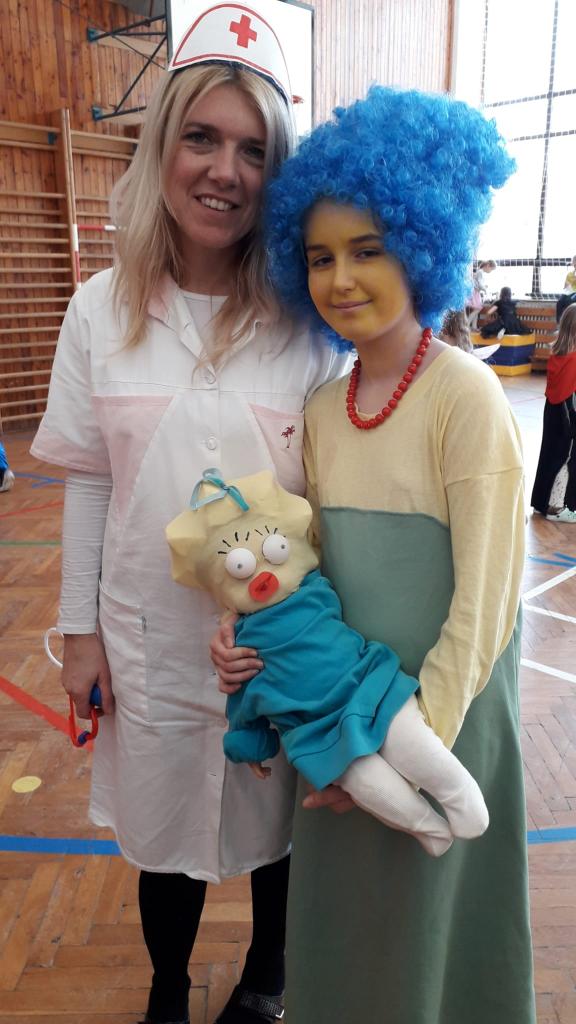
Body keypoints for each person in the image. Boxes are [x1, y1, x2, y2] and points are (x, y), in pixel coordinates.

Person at [29, 8, 348, 1024]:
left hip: (282, 639)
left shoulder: (310, 323)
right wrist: (80, 633)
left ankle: (267, 978)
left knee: (280, 825)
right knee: (164, 836)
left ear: (278, 171)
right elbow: (89, 479)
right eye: (202, 138)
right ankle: (167, 990)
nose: (225, 171)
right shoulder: (98, 310)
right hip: (151, 641)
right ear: (162, 144)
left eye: (254, 150)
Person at [214, 86, 535, 1023]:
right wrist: (251, 640)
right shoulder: (323, 407)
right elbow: (304, 569)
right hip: (346, 711)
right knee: (350, 931)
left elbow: (487, 604)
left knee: (432, 927)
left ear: (423, 246)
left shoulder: (464, 398)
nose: (341, 278)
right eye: (320, 257)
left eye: (368, 249)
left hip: (443, 716)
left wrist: (412, 740)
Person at [167, 467, 489, 857]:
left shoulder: (313, 588)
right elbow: (241, 703)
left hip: (367, 686)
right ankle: (428, 829)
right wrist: (250, 744)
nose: (262, 575)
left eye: (273, 551)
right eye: (239, 567)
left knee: (411, 741)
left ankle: (459, 794)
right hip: (315, 731)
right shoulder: (241, 639)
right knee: (366, 783)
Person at [531, 304, 576, 523]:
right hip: (569, 412)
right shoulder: (573, 357)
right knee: (567, 457)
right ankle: (558, 506)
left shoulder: (558, 353)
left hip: (553, 409)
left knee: (549, 453)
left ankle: (541, 501)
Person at [467, 259, 497, 329]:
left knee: (476, 309)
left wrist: (484, 287)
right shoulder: (480, 272)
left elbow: (479, 283)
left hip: (476, 292)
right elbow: (480, 284)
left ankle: (474, 327)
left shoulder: (480, 272)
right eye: (491, 269)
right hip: (474, 292)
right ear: (488, 266)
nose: (491, 271)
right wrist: (485, 289)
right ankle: (467, 325)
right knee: (478, 309)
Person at [556, 255, 576, 323]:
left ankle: (568, 321)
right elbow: (565, 286)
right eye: (574, 262)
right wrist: (567, 284)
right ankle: (559, 322)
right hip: (568, 292)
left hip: (575, 293)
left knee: (570, 301)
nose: (574, 265)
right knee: (560, 302)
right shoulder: (570, 274)